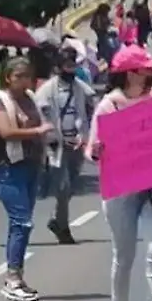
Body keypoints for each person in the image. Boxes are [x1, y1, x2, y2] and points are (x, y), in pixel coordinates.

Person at [87, 46, 152, 301]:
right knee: (124, 256)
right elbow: (92, 150)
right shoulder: (109, 106)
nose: (151, 72)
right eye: (145, 68)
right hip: (121, 190)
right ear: (130, 74)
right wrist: (97, 150)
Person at [0, 57, 54, 301]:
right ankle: (13, 279)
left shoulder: (30, 98)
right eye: (19, 76)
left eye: (27, 76)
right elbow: (5, 132)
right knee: (21, 222)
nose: (24, 81)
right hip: (9, 167)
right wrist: (37, 131)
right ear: (8, 77)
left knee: (23, 222)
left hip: (32, 164)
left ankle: (16, 276)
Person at [35, 47, 96, 244]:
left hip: (76, 142)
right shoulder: (47, 90)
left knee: (72, 184)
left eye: (73, 65)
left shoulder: (79, 86)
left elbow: (91, 102)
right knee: (63, 185)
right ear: (58, 67)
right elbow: (39, 111)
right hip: (57, 143)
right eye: (67, 66)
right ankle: (63, 227)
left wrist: (85, 131)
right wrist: (49, 135)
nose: (70, 70)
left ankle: (56, 218)